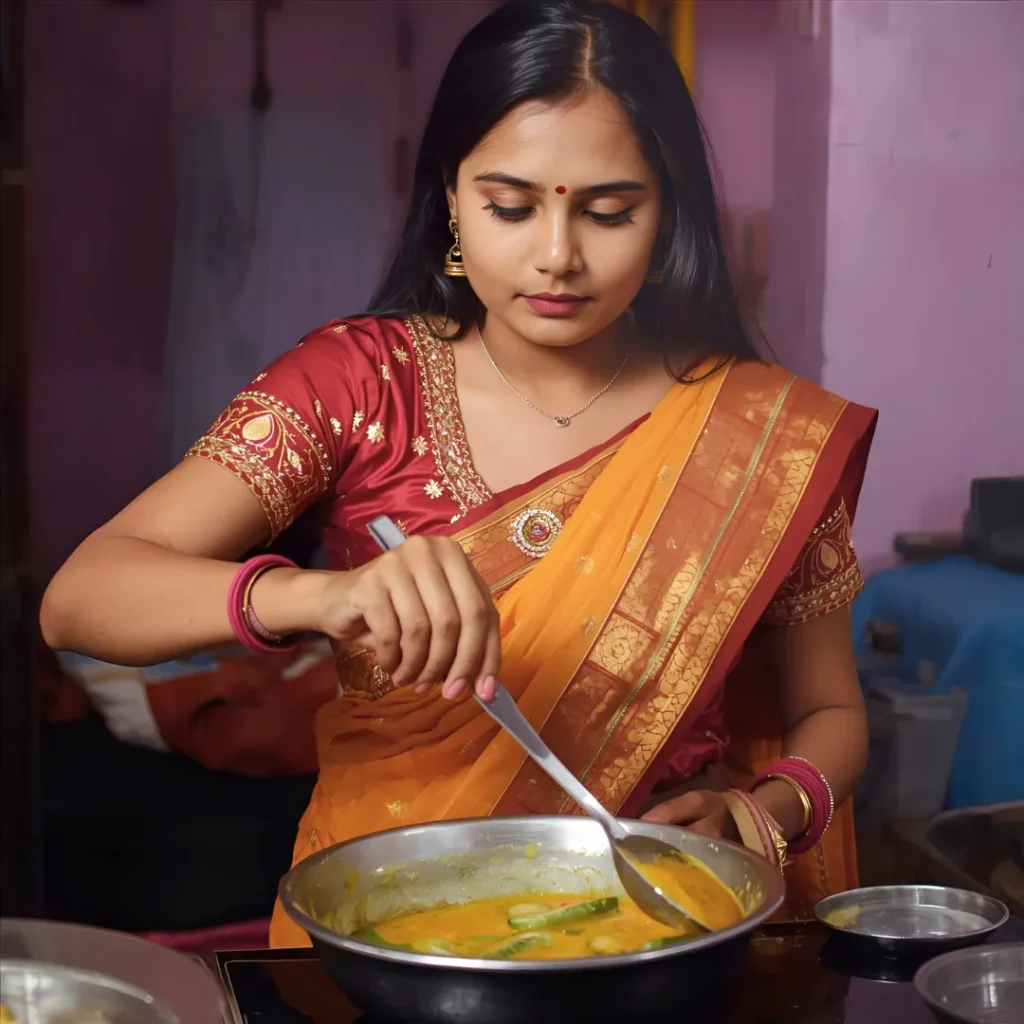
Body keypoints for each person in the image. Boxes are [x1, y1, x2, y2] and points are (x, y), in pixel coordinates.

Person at [42, 0, 876, 948]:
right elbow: (80, 600)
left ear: (668, 210)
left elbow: (831, 709)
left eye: (609, 211)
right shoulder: (361, 383)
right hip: (386, 929)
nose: (556, 257)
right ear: (449, 194)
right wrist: (322, 598)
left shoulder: (758, 433)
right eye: (510, 207)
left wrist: (762, 811)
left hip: (653, 928)